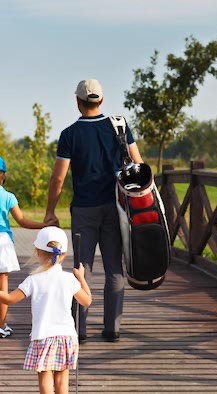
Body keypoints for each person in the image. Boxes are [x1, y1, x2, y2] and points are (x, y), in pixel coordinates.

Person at [44, 79, 143, 343]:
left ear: (77, 101)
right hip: (115, 207)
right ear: (101, 101)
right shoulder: (119, 127)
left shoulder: (69, 135)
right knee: (113, 268)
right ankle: (112, 329)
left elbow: (58, 179)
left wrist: (50, 211)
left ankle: (79, 329)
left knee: (82, 267)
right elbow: (139, 163)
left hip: (84, 209)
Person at [0, 226, 92, 394]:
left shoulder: (33, 279)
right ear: (63, 255)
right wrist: (81, 279)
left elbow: (9, 299)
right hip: (66, 336)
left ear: (38, 252)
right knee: (62, 382)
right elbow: (87, 301)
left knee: (45, 380)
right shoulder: (69, 279)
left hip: (43, 336)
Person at [0, 154, 50, 343]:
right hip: (3, 244)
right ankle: (2, 326)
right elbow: (22, 221)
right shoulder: (8, 197)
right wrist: (44, 225)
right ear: (3, 175)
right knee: (2, 286)